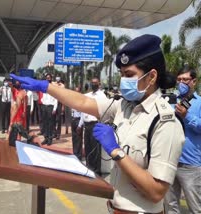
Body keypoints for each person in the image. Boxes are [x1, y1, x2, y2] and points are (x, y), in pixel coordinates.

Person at [10, 34, 185, 213]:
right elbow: (84, 103)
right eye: (122, 75)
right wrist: (45, 87)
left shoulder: (165, 122)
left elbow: (156, 192)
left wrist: (116, 152)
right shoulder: (124, 106)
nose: (124, 81)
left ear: (152, 76)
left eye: (129, 75)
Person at [165, 66, 201, 214]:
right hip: (170, 161)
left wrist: (187, 116)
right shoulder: (171, 100)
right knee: (170, 206)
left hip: (191, 165)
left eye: (185, 80)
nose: (181, 83)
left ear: (194, 81)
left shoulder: (199, 102)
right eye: (178, 79)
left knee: (195, 207)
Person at [77, 77, 108, 174]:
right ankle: (89, 168)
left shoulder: (102, 96)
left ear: (99, 84)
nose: (93, 84)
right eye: (92, 82)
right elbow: (83, 111)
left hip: (96, 124)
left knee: (95, 149)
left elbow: (105, 111)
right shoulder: (88, 95)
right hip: (87, 125)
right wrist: (80, 124)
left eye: (95, 83)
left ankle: (96, 171)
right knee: (87, 147)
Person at [40, 73, 57, 146]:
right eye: (47, 78)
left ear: (51, 78)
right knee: (45, 123)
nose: (48, 79)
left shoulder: (53, 87)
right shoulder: (44, 87)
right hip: (44, 106)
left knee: (50, 124)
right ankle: (46, 138)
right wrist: (42, 103)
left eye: (49, 78)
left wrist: (55, 108)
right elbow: (43, 96)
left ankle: (50, 139)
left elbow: (56, 98)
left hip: (51, 107)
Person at [71, 87, 83, 160]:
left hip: (78, 121)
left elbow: (83, 114)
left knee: (79, 139)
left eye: (77, 91)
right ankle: (75, 153)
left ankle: (79, 155)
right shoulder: (73, 100)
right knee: (74, 138)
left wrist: (80, 125)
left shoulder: (81, 101)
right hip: (73, 120)